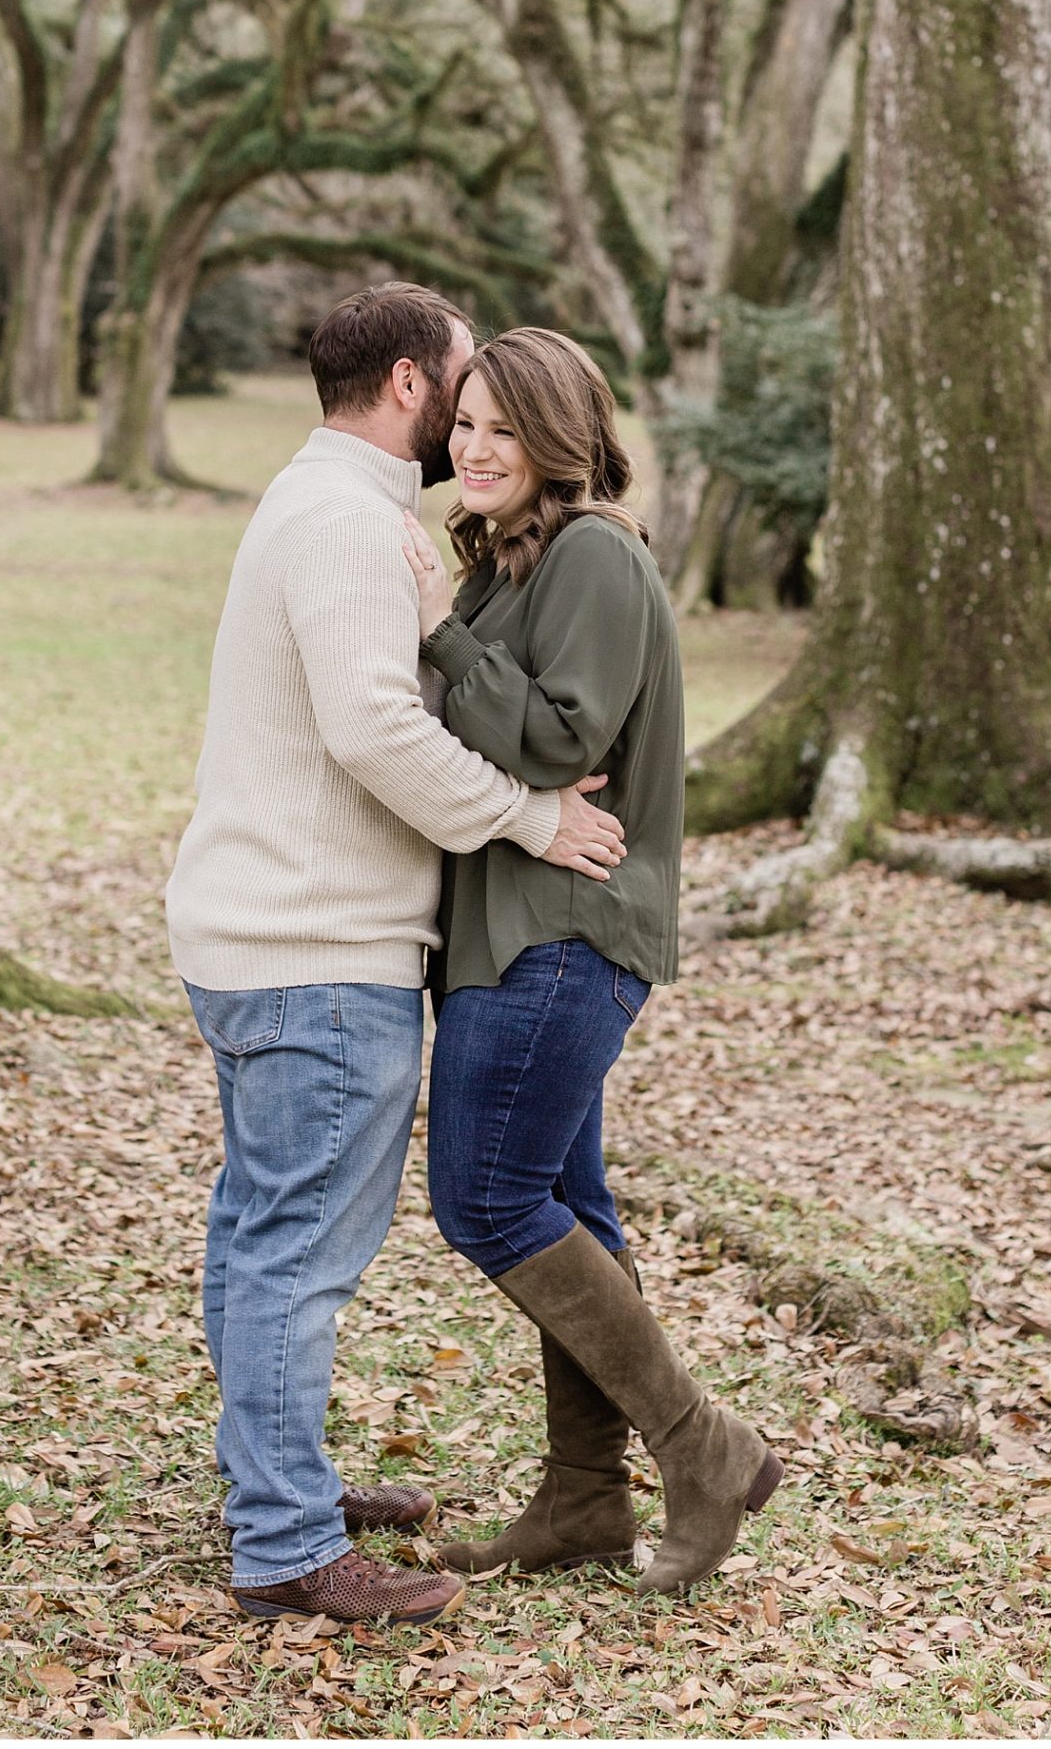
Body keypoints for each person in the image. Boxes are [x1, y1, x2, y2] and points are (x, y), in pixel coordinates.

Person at [167, 284, 628, 1628]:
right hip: (313, 950)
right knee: (293, 1252)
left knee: (260, 1232)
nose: (479, 417)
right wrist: (530, 817)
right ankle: (284, 1545)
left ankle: (276, 1476)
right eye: (467, 386)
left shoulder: (332, 510)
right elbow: (373, 730)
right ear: (416, 386)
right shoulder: (342, 524)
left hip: (275, 935)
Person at [400, 326, 783, 1593]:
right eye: (464, 424)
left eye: (505, 427)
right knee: (565, 1210)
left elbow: (562, 743)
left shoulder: (595, 554)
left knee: (486, 1198)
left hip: (564, 937)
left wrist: (441, 642)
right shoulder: (506, 569)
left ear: (563, 437)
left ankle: (702, 1445)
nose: (474, 448)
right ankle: (581, 1498)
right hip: (513, 934)